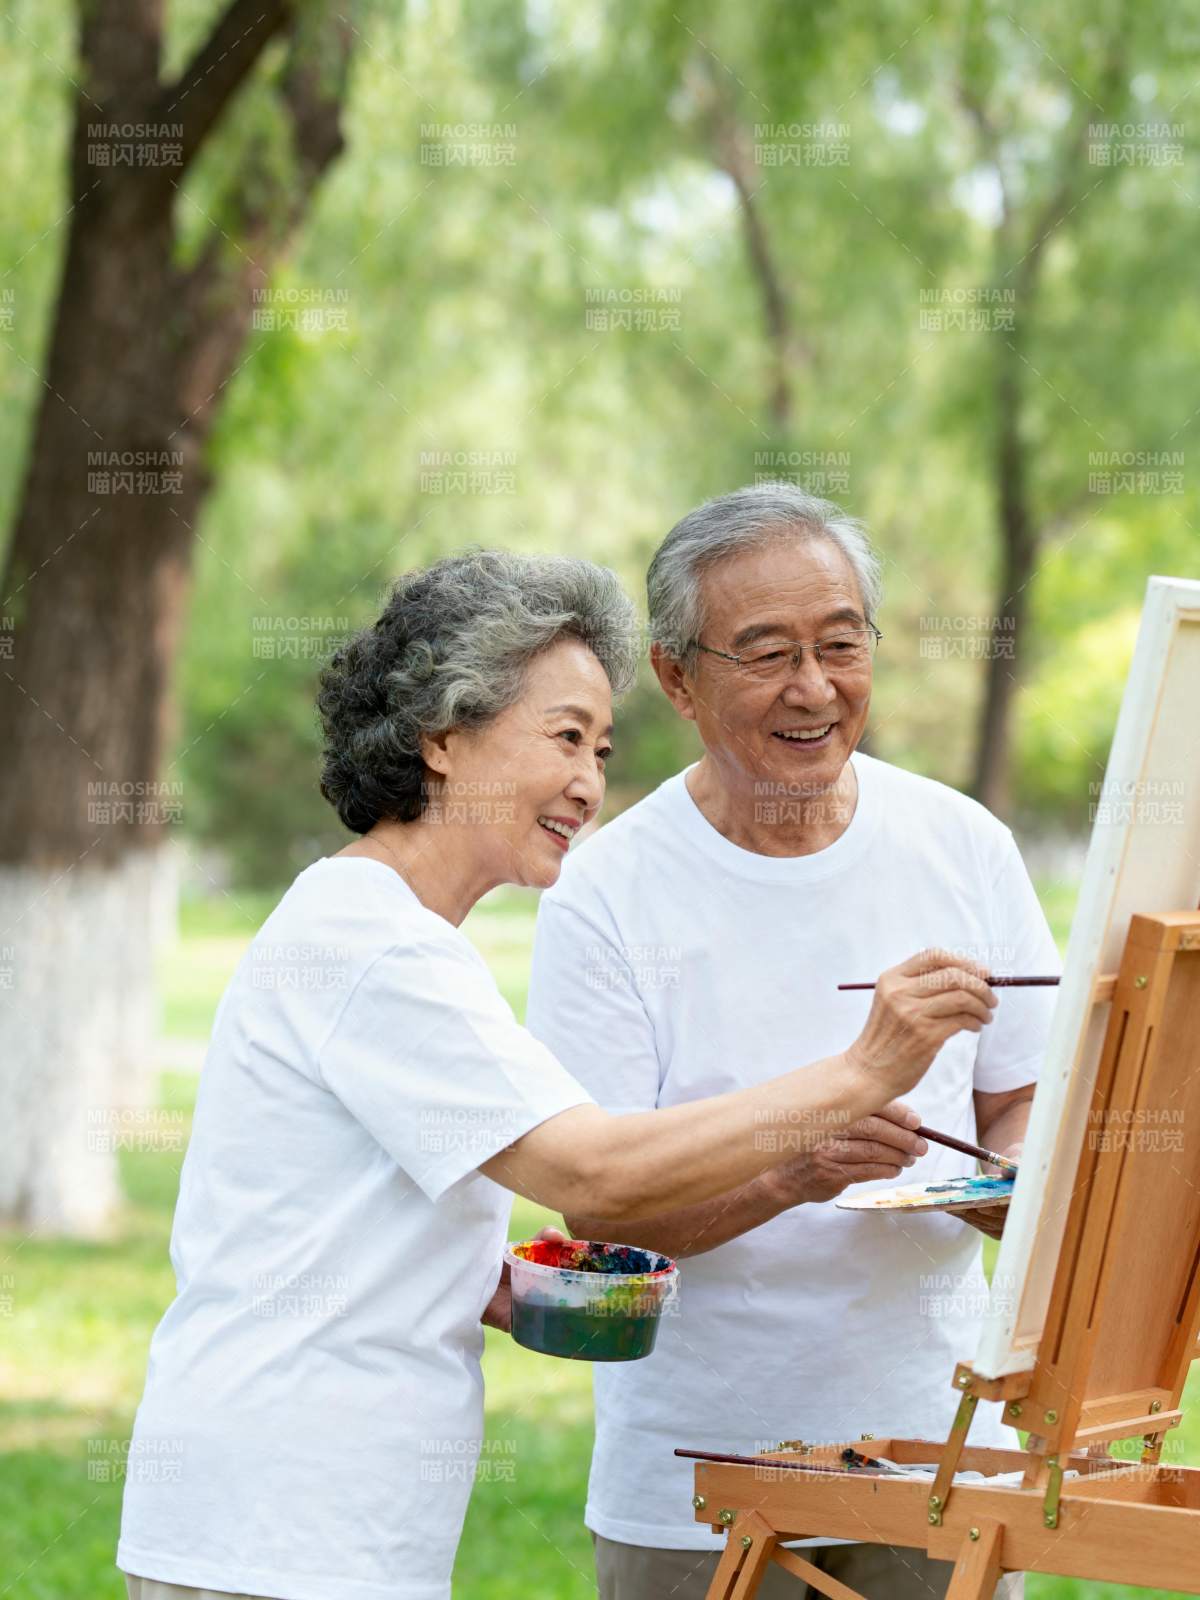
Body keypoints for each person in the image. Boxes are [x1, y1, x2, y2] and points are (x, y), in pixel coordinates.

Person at [116, 548, 995, 1600]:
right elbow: (593, 1172)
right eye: (564, 736)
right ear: (442, 737)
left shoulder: (394, 933)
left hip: (310, 1529)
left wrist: (515, 1286)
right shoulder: (374, 943)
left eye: (603, 748)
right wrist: (861, 1071)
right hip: (279, 1532)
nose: (589, 781)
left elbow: (376, 1230)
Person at [526, 485, 1059, 1600]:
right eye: (765, 653)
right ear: (677, 676)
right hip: (701, 1480)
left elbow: (1019, 1097)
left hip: (939, 1456)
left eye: (841, 644)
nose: (813, 688)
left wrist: (992, 1181)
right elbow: (603, 1211)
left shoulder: (961, 842)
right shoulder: (606, 894)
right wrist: (793, 1171)